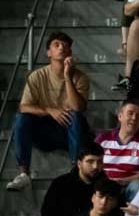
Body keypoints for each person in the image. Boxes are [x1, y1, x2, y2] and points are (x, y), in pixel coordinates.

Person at [7, 31, 90, 191]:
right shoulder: (37, 76)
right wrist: (50, 110)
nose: (62, 48)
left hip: (68, 132)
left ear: (70, 53)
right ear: (49, 52)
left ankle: (75, 172)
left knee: (75, 116)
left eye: (65, 46)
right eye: (57, 45)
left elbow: (78, 107)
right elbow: (24, 107)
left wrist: (67, 77)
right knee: (21, 118)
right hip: (43, 132)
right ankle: (24, 174)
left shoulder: (80, 77)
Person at [41, 143, 105, 216]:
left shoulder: (108, 186)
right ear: (79, 164)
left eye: (99, 162)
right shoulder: (60, 183)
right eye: (90, 161)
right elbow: (47, 215)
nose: (95, 166)